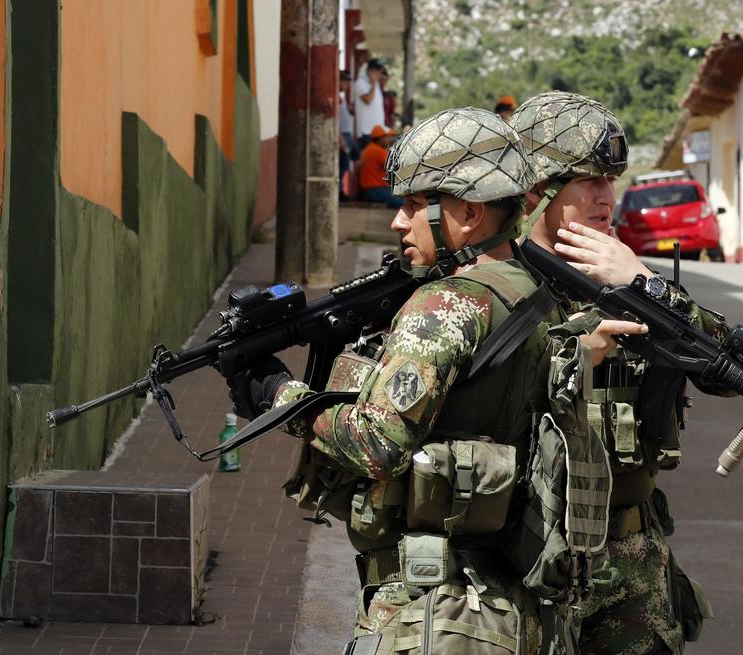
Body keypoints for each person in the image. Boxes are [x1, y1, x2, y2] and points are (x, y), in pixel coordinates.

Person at [228, 107, 624, 654]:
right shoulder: (535, 292)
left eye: (415, 205)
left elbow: (377, 442)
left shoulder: (447, 302)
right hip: (511, 608)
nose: (399, 222)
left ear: (469, 212)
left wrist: (277, 393)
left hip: (436, 611)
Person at [511, 91, 728, 655]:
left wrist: (646, 286)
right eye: (589, 181)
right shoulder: (499, 283)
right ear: (537, 190)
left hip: (633, 560)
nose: (608, 197)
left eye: (612, 180)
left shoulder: (630, 279)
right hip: (531, 558)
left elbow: (722, 366)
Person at [358, 125, 403, 208]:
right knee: (403, 202)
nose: (389, 140)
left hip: (368, 191)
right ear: (380, 138)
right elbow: (396, 168)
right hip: (376, 190)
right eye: (387, 137)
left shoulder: (367, 149)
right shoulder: (379, 151)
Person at [354, 59, 386, 151]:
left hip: (377, 130)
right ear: (370, 71)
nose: (380, 73)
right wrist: (373, 84)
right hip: (366, 131)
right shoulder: (360, 83)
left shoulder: (376, 85)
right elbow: (368, 100)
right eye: (378, 70)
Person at [339, 70, 358, 198]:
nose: (346, 85)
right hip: (343, 136)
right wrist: (341, 139)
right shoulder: (336, 97)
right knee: (342, 164)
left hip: (348, 135)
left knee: (353, 159)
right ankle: (339, 191)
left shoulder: (341, 98)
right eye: (344, 82)